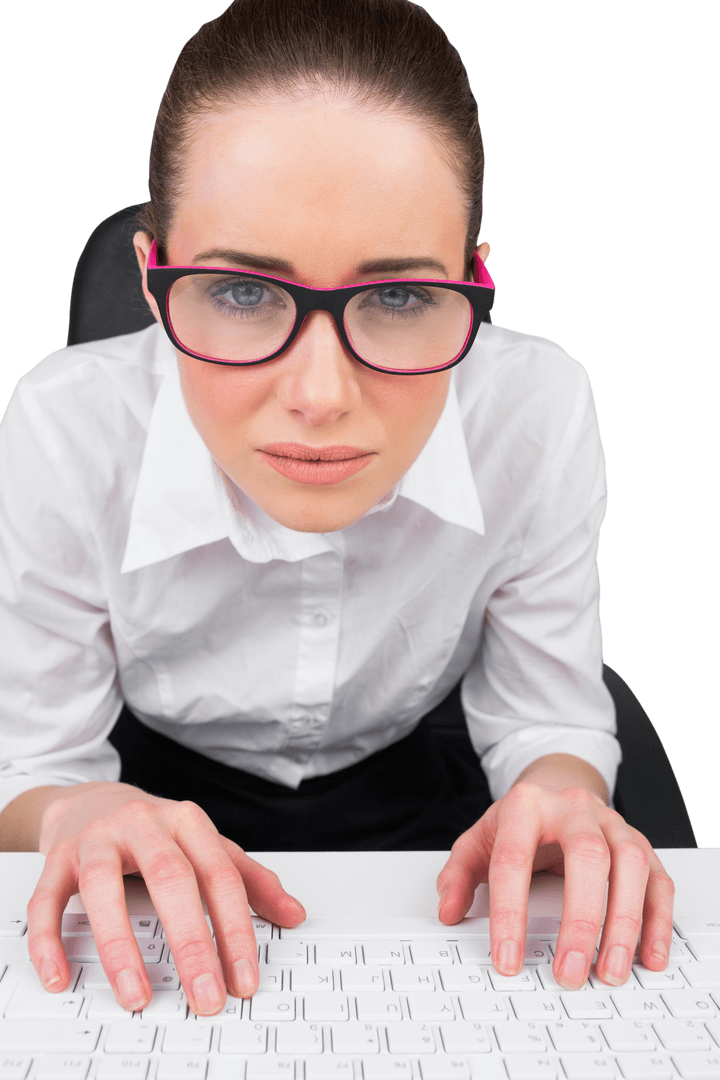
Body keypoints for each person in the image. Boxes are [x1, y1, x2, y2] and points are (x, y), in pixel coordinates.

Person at [0, 0, 673, 1020]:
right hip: (147, 795)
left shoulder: (537, 409)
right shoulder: (62, 425)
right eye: (238, 291)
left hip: (422, 781)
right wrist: (72, 809)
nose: (320, 394)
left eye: (399, 298)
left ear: (471, 282)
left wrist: (565, 791)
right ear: (151, 282)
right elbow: (35, 759)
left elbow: (546, 715)